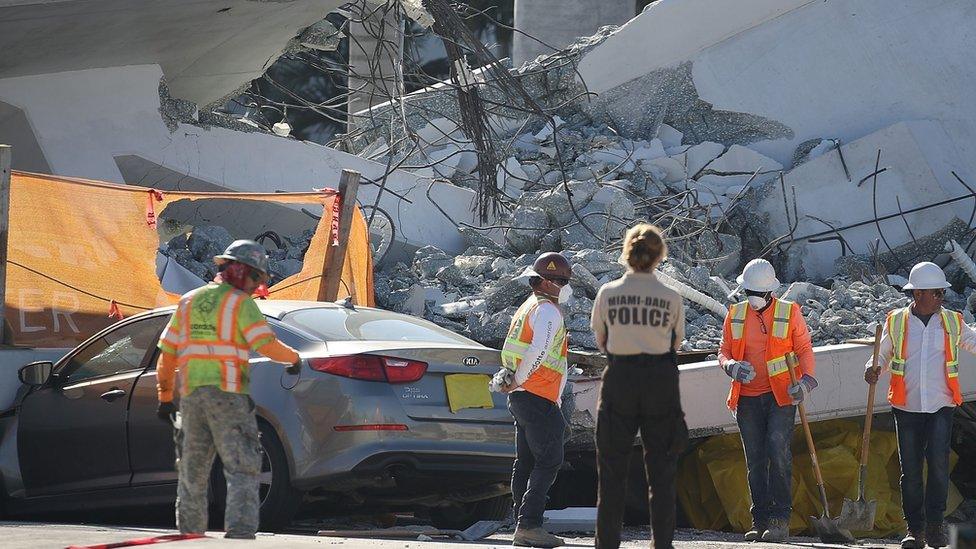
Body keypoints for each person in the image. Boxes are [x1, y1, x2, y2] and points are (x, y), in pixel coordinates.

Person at [156, 240, 303, 539]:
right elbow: (266, 345)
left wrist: (165, 397)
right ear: (244, 273)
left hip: (192, 398)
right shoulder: (240, 304)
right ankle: (239, 535)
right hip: (228, 396)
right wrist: (294, 359)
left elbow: (167, 355)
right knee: (242, 468)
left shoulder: (188, 301)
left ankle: (190, 537)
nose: (255, 285)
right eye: (256, 278)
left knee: (192, 473)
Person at [864, 262, 976, 549]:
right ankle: (915, 530)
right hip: (907, 407)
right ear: (918, 294)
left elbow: (973, 342)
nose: (940, 298)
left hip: (941, 405)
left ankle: (936, 527)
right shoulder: (898, 322)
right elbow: (883, 354)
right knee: (910, 471)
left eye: (941, 293)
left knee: (938, 467)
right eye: (935, 293)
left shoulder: (951, 322)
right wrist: (873, 367)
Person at [589, 224, 688, 549]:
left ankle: (606, 544)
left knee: (612, 467)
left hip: (621, 378)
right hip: (660, 379)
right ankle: (661, 543)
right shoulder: (671, 297)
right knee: (662, 467)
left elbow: (601, 341)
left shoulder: (608, 293)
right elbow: (676, 342)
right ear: (660, 256)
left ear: (627, 253)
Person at [717, 258, 816, 542]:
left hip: (780, 395)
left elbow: (805, 349)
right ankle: (759, 520)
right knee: (755, 461)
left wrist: (807, 382)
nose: (753, 299)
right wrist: (731, 366)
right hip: (746, 397)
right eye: (749, 293)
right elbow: (723, 350)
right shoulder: (735, 314)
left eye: (758, 294)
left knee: (778, 450)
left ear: (770, 292)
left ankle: (779, 519)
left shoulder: (789, 312)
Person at [496, 252, 573, 548]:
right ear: (546, 282)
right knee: (550, 460)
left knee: (526, 461)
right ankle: (529, 525)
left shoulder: (529, 307)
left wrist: (516, 383)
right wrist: (520, 380)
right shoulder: (549, 312)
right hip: (536, 394)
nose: (566, 287)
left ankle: (522, 523)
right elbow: (538, 352)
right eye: (562, 281)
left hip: (524, 396)